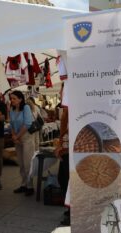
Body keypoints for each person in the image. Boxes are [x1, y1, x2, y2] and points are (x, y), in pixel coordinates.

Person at [9, 91, 35, 196]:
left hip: (26, 137)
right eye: (11, 98)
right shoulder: (12, 109)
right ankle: (23, 184)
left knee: (27, 163)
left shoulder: (26, 108)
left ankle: (30, 186)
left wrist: (17, 136)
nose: (12, 100)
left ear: (20, 99)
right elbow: (11, 123)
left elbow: (27, 124)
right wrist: (13, 136)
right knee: (21, 163)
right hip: (17, 138)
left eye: (14, 98)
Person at [54, 83, 70, 226]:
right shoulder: (66, 110)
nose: (60, 92)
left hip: (70, 151)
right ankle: (69, 210)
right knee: (63, 179)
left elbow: (69, 132)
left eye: (62, 90)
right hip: (66, 150)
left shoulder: (71, 110)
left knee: (67, 180)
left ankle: (71, 213)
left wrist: (61, 146)